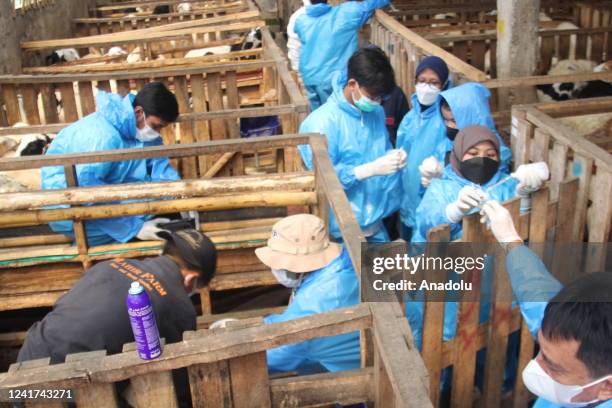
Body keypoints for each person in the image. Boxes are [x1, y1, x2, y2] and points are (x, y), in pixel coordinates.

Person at [480, 200, 612, 408]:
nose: (536, 367)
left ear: (607, 387)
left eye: (555, 368)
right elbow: (534, 287)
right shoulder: (567, 332)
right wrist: (510, 240)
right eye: (540, 348)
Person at [17, 229, 216, 363]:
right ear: (191, 280)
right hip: (68, 387)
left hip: (29, 359)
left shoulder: (109, 265)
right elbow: (175, 370)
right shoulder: (179, 308)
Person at [42, 82, 181, 246]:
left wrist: (177, 193)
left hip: (109, 189)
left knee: (161, 213)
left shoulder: (139, 129)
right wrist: (134, 228)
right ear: (138, 112)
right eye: (157, 126)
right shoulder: (102, 137)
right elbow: (87, 189)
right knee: (151, 223)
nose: (157, 132)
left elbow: (160, 166)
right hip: (70, 205)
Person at [298, 48, 404, 242]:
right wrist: (365, 170)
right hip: (340, 229)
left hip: (375, 220)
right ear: (352, 84)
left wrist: (394, 158)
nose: (377, 102)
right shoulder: (321, 124)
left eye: (380, 98)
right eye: (372, 96)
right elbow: (322, 179)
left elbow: (381, 148)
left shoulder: (376, 113)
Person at [255, 214, 359, 374]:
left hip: (374, 368)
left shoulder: (314, 304)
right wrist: (267, 323)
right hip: (401, 335)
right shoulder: (348, 255)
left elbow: (274, 355)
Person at [412, 125, 547, 243]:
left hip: (496, 266)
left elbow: (525, 232)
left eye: (490, 154)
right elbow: (424, 226)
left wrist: (523, 199)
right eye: (473, 153)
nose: (482, 159)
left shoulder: (509, 184)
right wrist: (454, 211)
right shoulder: (440, 187)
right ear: (458, 155)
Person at [294, 0, 389, 110]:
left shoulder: (302, 21)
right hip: (334, 80)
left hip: (310, 79)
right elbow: (369, 5)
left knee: (318, 117)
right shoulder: (346, 13)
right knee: (340, 115)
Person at [396, 55, 451, 240]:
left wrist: (439, 172)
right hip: (407, 194)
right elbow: (401, 151)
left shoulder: (446, 119)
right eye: (422, 81)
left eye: (434, 82)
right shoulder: (410, 118)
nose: (426, 87)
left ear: (443, 85)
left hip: (431, 193)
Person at [419, 82, 512, 189]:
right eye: (445, 120)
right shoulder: (447, 144)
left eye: (454, 121)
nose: (449, 126)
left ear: (471, 117)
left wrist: (444, 174)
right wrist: (429, 181)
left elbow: (488, 183)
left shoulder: (495, 150)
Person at [286, 0, 311, 72]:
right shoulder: (333, 16)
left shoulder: (297, 16)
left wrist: (297, 69)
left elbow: (294, 46)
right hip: (330, 74)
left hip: (308, 73)